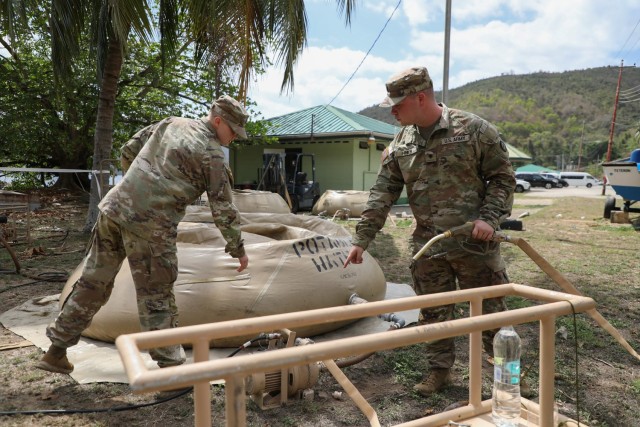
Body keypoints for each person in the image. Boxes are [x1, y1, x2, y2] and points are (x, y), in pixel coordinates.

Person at [37, 95, 250, 374]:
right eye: (232, 130)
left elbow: (129, 150)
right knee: (156, 297)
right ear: (218, 120)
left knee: (92, 283)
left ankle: (56, 352)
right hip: (152, 228)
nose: (234, 137)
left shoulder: (170, 123)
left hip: (114, 210)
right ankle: (172, 370)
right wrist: (239, 249)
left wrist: (139, 186)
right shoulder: (213, 156)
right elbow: (223, 209)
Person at [343, 66, 516, 396]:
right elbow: (384, 190)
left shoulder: (474, 130)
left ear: (420, 98)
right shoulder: (400, 143)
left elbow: (503, 179)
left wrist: (489, 219)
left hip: (475, 244)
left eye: (397, 104)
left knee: (492, 315)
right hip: (429, 247)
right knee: (435, 314)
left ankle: (507, 379)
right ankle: (439, 372)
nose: (391, 111)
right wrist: (362, 238)